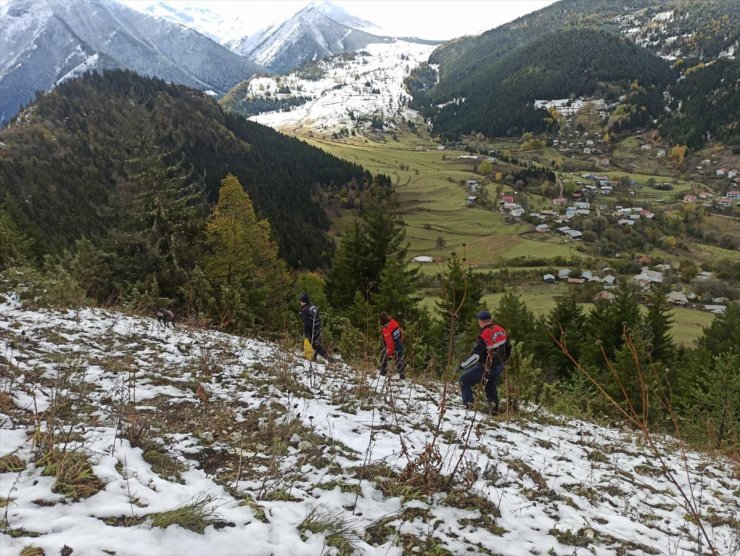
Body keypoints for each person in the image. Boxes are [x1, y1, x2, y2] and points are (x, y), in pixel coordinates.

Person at [458, 310, 510, 413]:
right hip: (500, 365)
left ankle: (468, 405)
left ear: (480, 322)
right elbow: (508, 348)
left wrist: (463, 366)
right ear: (491, 319)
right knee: (489, 383)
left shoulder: (483, 336)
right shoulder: (501, 330)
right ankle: (494, 409)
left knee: (464, 380)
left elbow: (476, 356)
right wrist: (503, 362)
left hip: (488, 366)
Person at [299, 293, 328, 362]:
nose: (300, 303)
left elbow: (307, 323)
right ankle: (316, 357)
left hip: (312, 329)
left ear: (303, 301)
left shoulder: (304, 310)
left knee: (314, 344)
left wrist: (307, 333)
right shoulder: (313, 306)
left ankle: (328, 358)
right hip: (318, 327)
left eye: (300, 301)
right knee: (315, 344)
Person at [378, 312, 405, 380]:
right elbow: (385, 341)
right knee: (383, 359)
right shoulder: (384, 329)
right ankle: (382, 374)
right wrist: (387, 350)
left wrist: (392, 352)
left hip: (397, 347)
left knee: (398, 361)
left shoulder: (394, 326)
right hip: (389, 348)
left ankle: (402, 377)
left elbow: (397, 341)